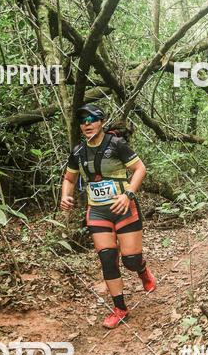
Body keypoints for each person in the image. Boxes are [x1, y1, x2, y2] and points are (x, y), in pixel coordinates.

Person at [60, 103, 156, 328]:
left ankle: (142, 269)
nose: (87, 124)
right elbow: (69, 179)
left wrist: (128, 194)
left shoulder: (116, 144)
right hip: (97, 212)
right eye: (82, 121)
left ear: (101, 122)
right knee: (107, 259)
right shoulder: (78, 152)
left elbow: (140, 169)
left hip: (124, 209)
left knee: (130, 260)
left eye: (91, 119)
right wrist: (65, 195)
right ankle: (120, 308)